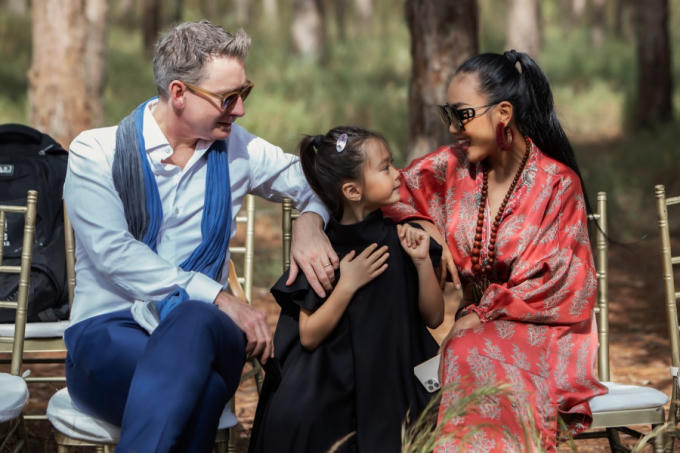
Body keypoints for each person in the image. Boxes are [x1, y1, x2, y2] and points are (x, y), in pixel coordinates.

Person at [62, 21, 338, 452]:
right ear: (178, 93)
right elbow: (112, 252)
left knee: (193, 318)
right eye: (228, 97)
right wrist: (220, 298)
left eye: (245, 93)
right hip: (108, 335)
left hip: (209, 335)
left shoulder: (238, 150)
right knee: (202, 391)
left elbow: (320, 183)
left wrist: (310, 222)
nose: (240, 109)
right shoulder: (95, 152)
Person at [382, 50, 608, 452]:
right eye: (448, 114)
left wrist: (482, 314)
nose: (453, 128)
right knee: (462, 350)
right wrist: (425, 226)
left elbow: (563, 285)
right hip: (475, 327)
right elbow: (389, 192)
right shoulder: (451, 168)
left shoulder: (557, 185)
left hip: (543, 328)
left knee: (467, 350)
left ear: (503, 113)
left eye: (462, 115)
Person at [248, 126, 445, 453]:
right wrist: (348, 284)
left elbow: (435, 317)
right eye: (385, 168)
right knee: (303, 423)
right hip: (333, 379)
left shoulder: (403, 239)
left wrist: (423, 261)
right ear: (353, 191)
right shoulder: (321, 252)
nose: (397, 174)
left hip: (393, 377)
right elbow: (309, 335)